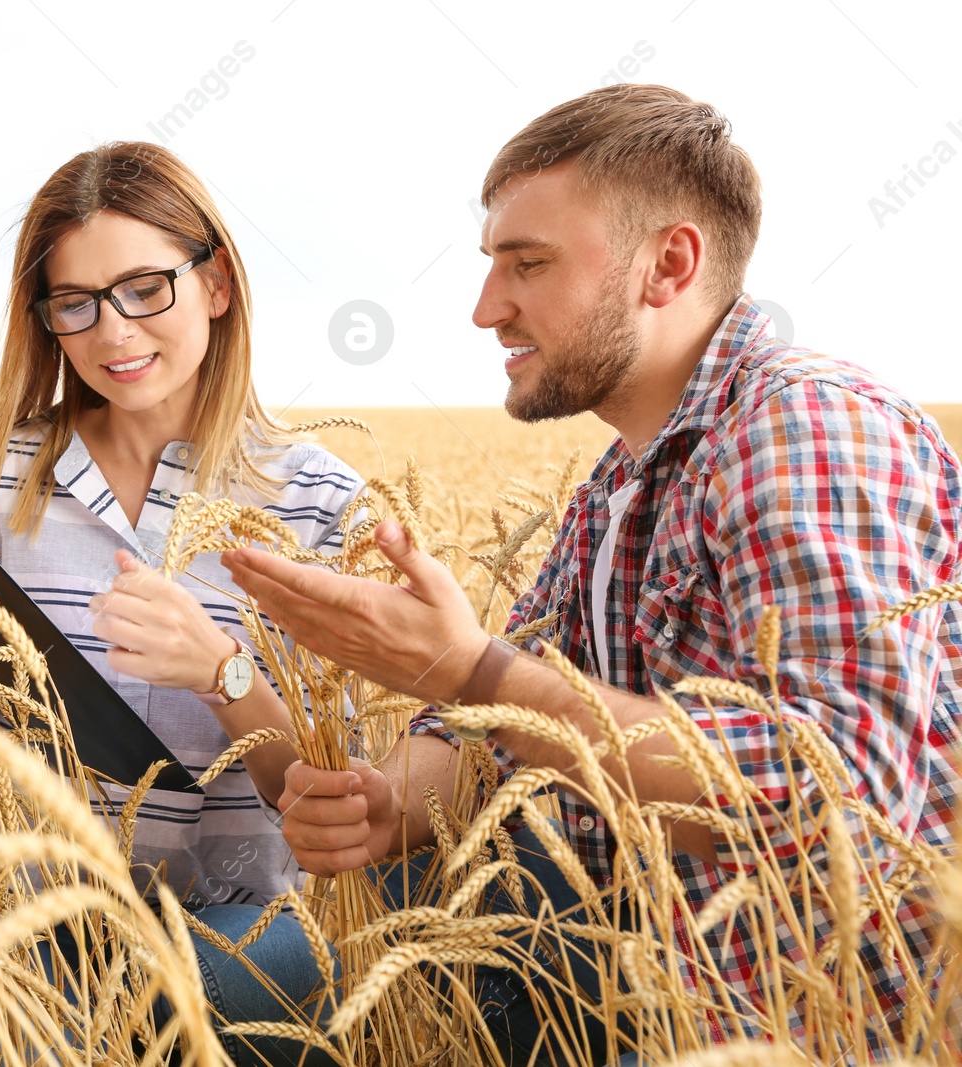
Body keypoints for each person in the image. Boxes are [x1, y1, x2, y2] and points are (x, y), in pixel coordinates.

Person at [223, 84, 960, 1061]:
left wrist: (462, 667)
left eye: (527, 264)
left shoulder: (800, 427)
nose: (487, 308)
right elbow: (495, 714)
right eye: (490, 266)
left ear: (669, 263)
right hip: (655, 991)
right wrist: (386, 799)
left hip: (830, 1024)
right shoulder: (619, 480)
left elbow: (841, 811)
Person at [0, 141, 363, 1065]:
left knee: (283, 964)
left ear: (216, 283)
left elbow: (331, 801)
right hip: (14, 900)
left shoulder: (318, 503)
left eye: (146, 288)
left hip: (228, 925)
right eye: (76, 304)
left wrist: (224, 674)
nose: (114, 333)